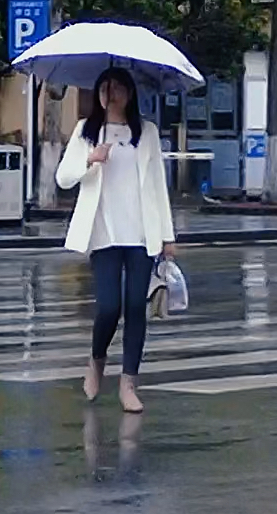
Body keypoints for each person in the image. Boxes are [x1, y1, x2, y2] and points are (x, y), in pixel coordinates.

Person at [56, 67, 177, 413]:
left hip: (141, 232)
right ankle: (96, 361)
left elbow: (157, 184)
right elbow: (63, 178)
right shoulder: (87, 131)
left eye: (119, 87)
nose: (112, 94)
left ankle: (129, 384)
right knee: (110, 306)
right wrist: (90, 159)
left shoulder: (146, 132)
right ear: (98, 93)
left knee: (136, 307)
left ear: (130, 93)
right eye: (106, 88)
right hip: (104, 232)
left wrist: (167, 235)